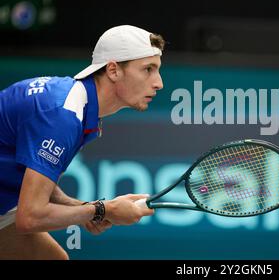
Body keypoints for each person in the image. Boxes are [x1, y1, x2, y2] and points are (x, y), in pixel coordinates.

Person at [0, 25, 164, 259]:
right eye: (148, 69)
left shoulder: (75, 106)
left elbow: (35, 179)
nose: (159, 83)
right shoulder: (63, 116)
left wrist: (86, 209)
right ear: (113, 70)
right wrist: (103, 209)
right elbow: (31, 216)